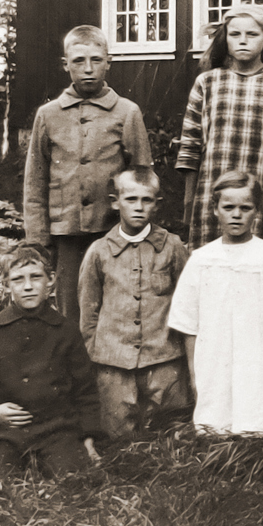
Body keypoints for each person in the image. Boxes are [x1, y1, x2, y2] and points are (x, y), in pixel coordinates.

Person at [23, 24, 152, 320]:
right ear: (65, 64)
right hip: (65, 233)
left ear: (109, 62)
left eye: (96, 60)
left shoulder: (127, 112)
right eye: (79, 61)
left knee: (114, 305)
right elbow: (35, 180)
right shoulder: (49, 115)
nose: (88, 69)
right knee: (70, 310)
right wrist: (38, 239)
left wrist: (136, 228)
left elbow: (142, 175)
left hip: (113, 231)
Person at [168, 172, 263, 435]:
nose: (236, 214)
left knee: (258, 420)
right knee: (214, 423)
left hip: (258, 353)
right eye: (228, 207)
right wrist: (194, 371)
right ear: (215, 210)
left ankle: (256, 440)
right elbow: (188, 324)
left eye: (245, 208)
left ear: (258, 211)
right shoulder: (201, 259)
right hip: (214, 354)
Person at [0, 244, 100, 476]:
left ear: (50, 281)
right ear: (6, 285)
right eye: (18, 279)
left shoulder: (66, 330)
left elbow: (85, 391)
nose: (28, 286)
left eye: (36, 277)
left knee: (74, 476)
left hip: (56, 430)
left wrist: (88, 439)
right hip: (4, 431)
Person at [176, 5, 263, 248]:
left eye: (252, 34)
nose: (243, 41)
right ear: (226, 39)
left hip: (261, 193)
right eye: (235, 35)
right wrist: (189, 201)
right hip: (210, 194)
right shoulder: (207, 82)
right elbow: (190, 146)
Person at [77, 167, 190, 439]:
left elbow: (187, 303)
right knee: (118, 438)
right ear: (115, 202)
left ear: (157, 204)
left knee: (173, 431)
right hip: (114, 361)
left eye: (146, 200)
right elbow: (88, 311)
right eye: (130, 199)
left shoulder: (172, 247)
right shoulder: (99, 252)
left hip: (164, 358)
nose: (138, 207)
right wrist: (97, 358)